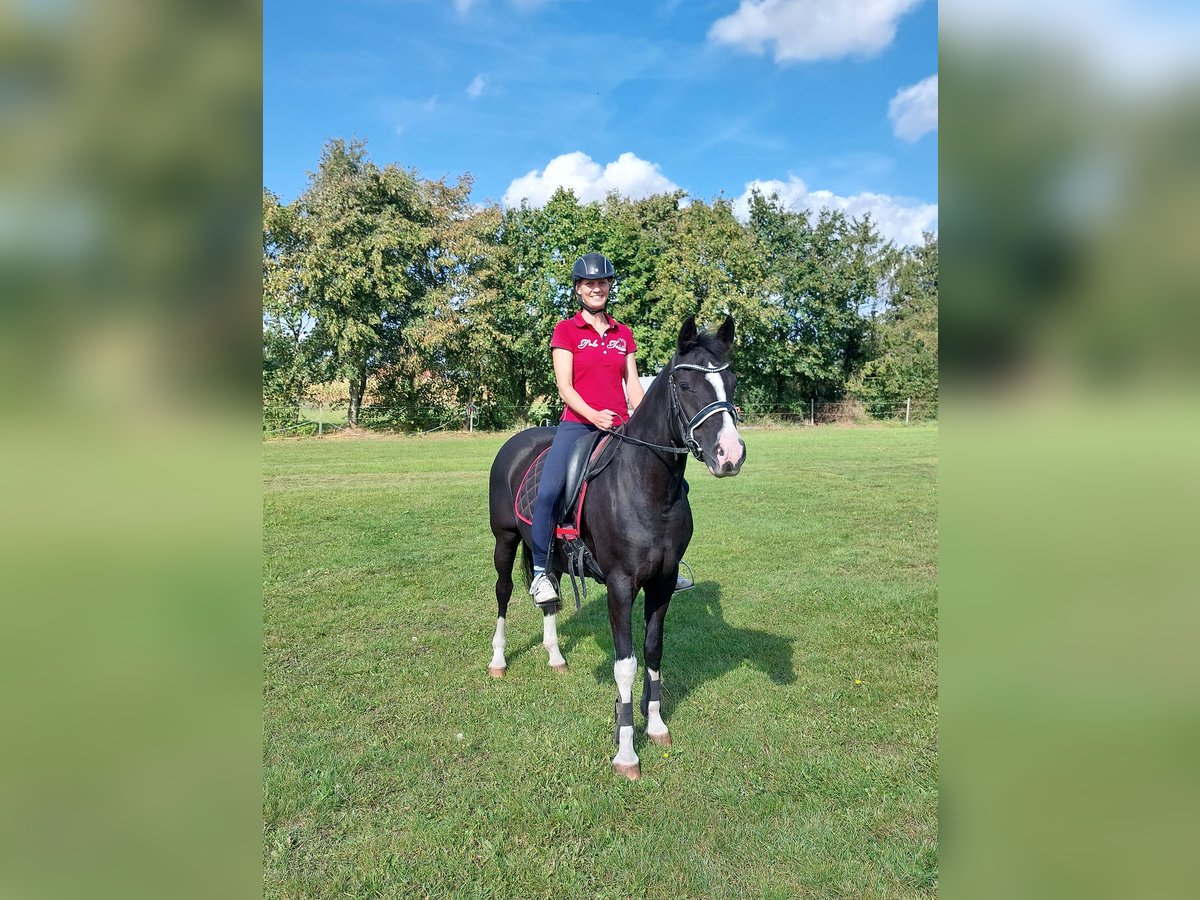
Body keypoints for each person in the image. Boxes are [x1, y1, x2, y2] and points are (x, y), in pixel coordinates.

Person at [528, 252, 694, 609]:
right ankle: (542, 570)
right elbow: (565, 387)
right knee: (549, 490)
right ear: (578, 289)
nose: (597, 288)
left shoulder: (624, 334)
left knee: (676, 484)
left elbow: (633, 386)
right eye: (590, 283)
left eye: (602, 282)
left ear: (608, 287)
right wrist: (593, 415)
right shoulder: (566, 331)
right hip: (578, 425)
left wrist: (641, 419)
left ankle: (667, 565)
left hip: (621, 427)